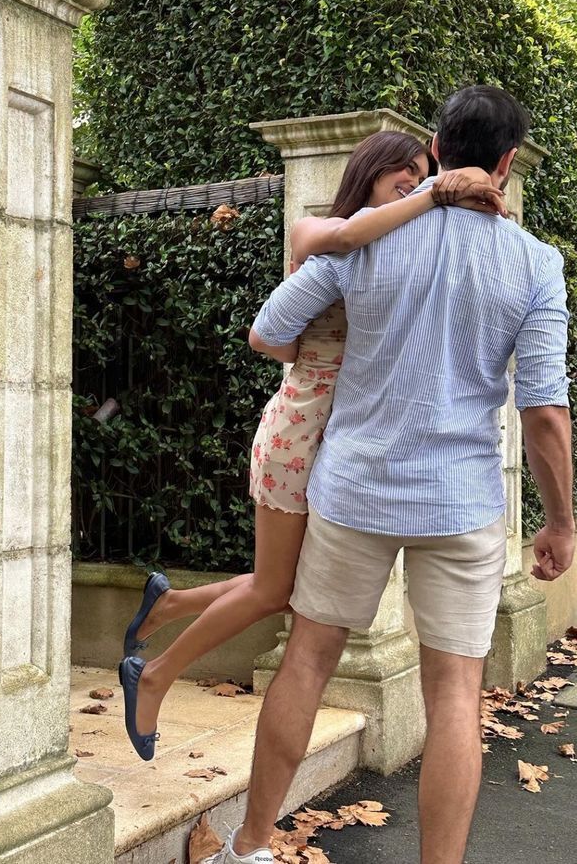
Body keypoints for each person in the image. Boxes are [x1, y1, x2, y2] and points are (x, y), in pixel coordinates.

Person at [205, 85, 573, 864]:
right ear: (506, 164)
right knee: (453, 695)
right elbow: (543, 410)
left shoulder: (365, 239)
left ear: (434, 152)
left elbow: (268, 330)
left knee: (307, 658)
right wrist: (560, 520)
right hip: (460, 502)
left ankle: (248, 848)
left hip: (354, 487)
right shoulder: (537, 264)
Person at [118, 130, 507, 761]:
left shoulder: (395, 245)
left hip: (340, 436)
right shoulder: (332, 232)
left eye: (420, 172)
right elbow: (265, 333)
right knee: (276, 590)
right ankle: (154, 675)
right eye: (400, 174)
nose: (412, 182)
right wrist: (438, 191)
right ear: (369, 174)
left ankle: (172, 602)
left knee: (290, 585)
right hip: (302, 432)